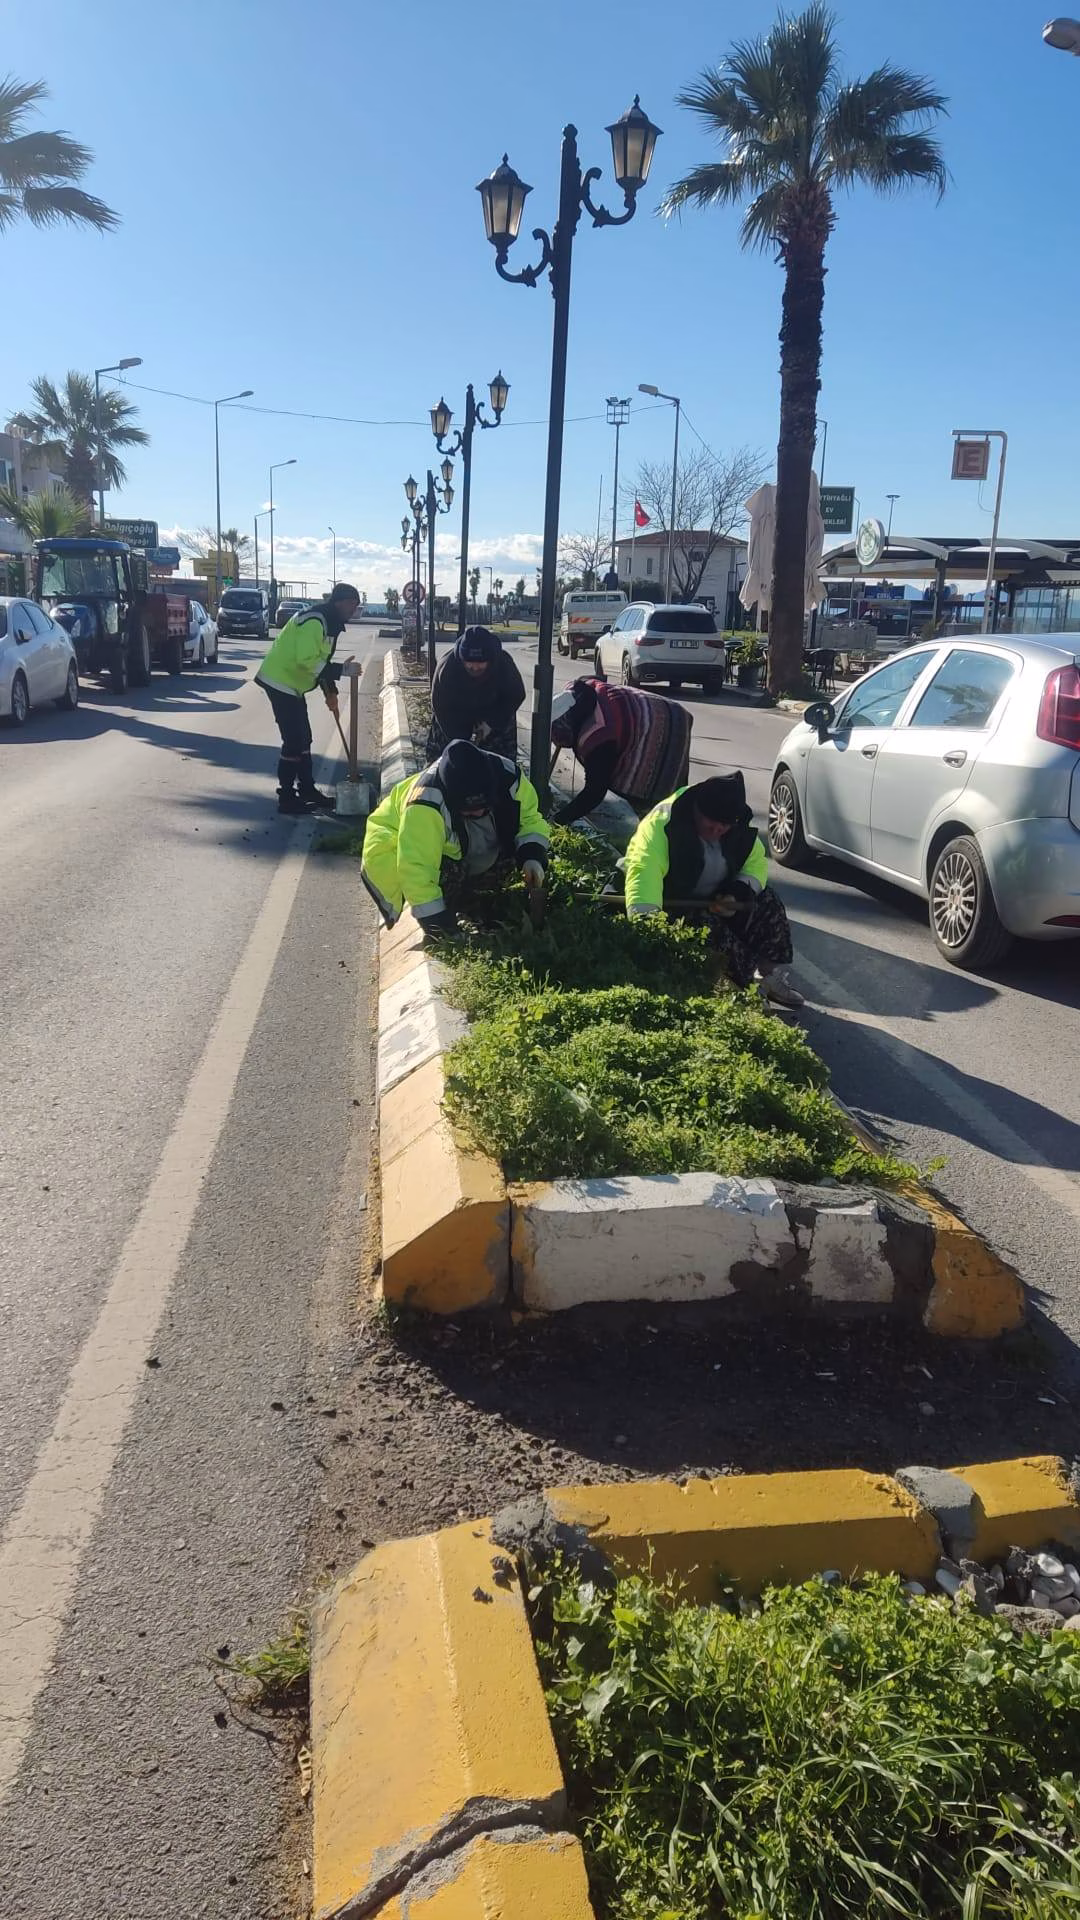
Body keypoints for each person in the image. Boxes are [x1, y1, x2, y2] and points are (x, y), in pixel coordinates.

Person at [623, 771, 804, 1008]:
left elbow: (755, 862)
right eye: (712, 823)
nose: (718, 829)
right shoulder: (664, 825)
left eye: (724, 825)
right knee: (710, 931)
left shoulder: (736, 826)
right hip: (673, 903)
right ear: (697, 811)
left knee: (769, 901)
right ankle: (745, 987)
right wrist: (648, 930)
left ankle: (766, 976)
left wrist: (738, 891)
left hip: (715, 899)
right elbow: (643, 875)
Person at [361, 738, 550, 935]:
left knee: (507, 861)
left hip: (455, 844)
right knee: (446, 879)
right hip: (394, 851)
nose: (478, 813)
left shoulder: (509, 777)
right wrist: (438, 925)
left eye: (483, 807)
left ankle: (478, 904)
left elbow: (530, 819)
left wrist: (532, 856)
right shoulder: (424, 805)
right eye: (470, 810)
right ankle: (458, 906)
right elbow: (417, 868)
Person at [256, 583, 360, 813]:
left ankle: (307, 789)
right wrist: (342, 670)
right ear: (339, 602)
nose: (354, 610)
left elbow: (320, 661)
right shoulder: (315, 621)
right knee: (294, 741)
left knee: (305, 738)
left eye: (356, 605)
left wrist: (330, 692)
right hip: (280, 682)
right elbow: (307, 661)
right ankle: (286, 797)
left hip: (293, 686)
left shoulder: (329, 623)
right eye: (352, 604)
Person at [549, 678, 692, 825]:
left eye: (556, 736)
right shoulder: (575, 693)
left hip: (667, 721)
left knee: (652, 788)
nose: (554, 741)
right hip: (645, 709)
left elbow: (594, 792)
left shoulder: (598, 736)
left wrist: (558, 820)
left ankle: (664, 825)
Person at [426, 626, 526, 761]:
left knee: (500, 760)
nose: (474, 667)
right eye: (469, 663)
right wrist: (462, 739)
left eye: (481, 663)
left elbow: (516, 695)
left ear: (490, 660)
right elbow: (441, 706)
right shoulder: (447, 667)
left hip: (493, 708)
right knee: (447, 755)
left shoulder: (504, 663)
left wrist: (492, 723)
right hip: (455, 712)